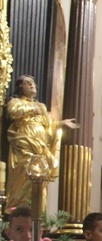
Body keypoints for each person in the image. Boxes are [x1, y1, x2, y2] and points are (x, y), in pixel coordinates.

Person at [5, 75, 77, 209]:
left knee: (40, 178)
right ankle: (19, 208)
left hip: (41, 146)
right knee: (26, 172)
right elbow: (13, 112)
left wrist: (62, 123)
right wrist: (32, 109)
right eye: (28, 83)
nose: (32, 85)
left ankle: (38, 212)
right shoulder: (16, 101)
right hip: (24, 143)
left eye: (33, 83)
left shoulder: (41, 106)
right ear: (21, 87)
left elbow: (49, 124)